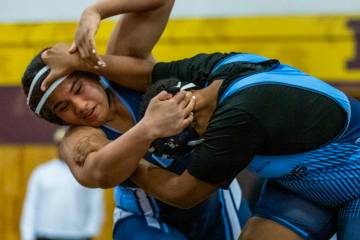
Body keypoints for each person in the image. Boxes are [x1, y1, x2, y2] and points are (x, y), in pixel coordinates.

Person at [21, 0, 250, 239]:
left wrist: (96, 11)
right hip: (147, 218)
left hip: (215, 201)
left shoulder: (122, 66)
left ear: (92, 74)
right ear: (58, 118)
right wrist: (148, 128)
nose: (80, 106)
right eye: (63, 106)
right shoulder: (78, 138)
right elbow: (99, 173)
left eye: (78, 89)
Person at [124, 52, 360, 240]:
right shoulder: (211, 69)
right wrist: (91, 62)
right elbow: (149, 72)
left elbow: (183, 194)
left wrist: (128, 164)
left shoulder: (235, 121)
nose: (200, 147)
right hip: (300, 185)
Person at [20, 128, 104, 240]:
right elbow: (31, 207)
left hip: (78, 236)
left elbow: (95, 204)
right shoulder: (41, 173)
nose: (65, 148)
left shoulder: (86, 172)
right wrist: (27, 236)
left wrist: (90, 233)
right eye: (60, 144)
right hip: (45, 235)